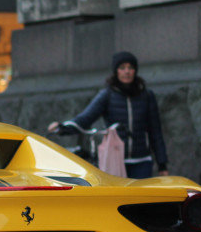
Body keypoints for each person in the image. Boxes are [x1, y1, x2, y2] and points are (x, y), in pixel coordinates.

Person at [47, 51, 169, 179]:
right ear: (116, 71)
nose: (127, 71)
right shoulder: (107, 95)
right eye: (122, 68)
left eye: (130, 68)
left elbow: (156, 132)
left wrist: (162, 164)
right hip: (115, 159)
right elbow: (86, 118)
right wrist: (62, 127)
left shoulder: (147, 96)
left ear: (135, 70)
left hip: (142, 161)